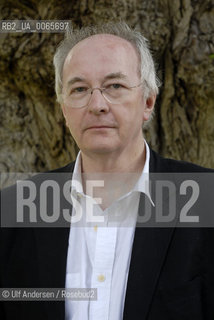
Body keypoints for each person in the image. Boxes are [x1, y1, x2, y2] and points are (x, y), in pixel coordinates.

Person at [1, 21, 214, 320]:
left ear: (148, 101)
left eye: (115, 85)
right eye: (79, 89)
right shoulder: (12, 212)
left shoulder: (207, 201)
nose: (97, 104)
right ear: (63, 108)